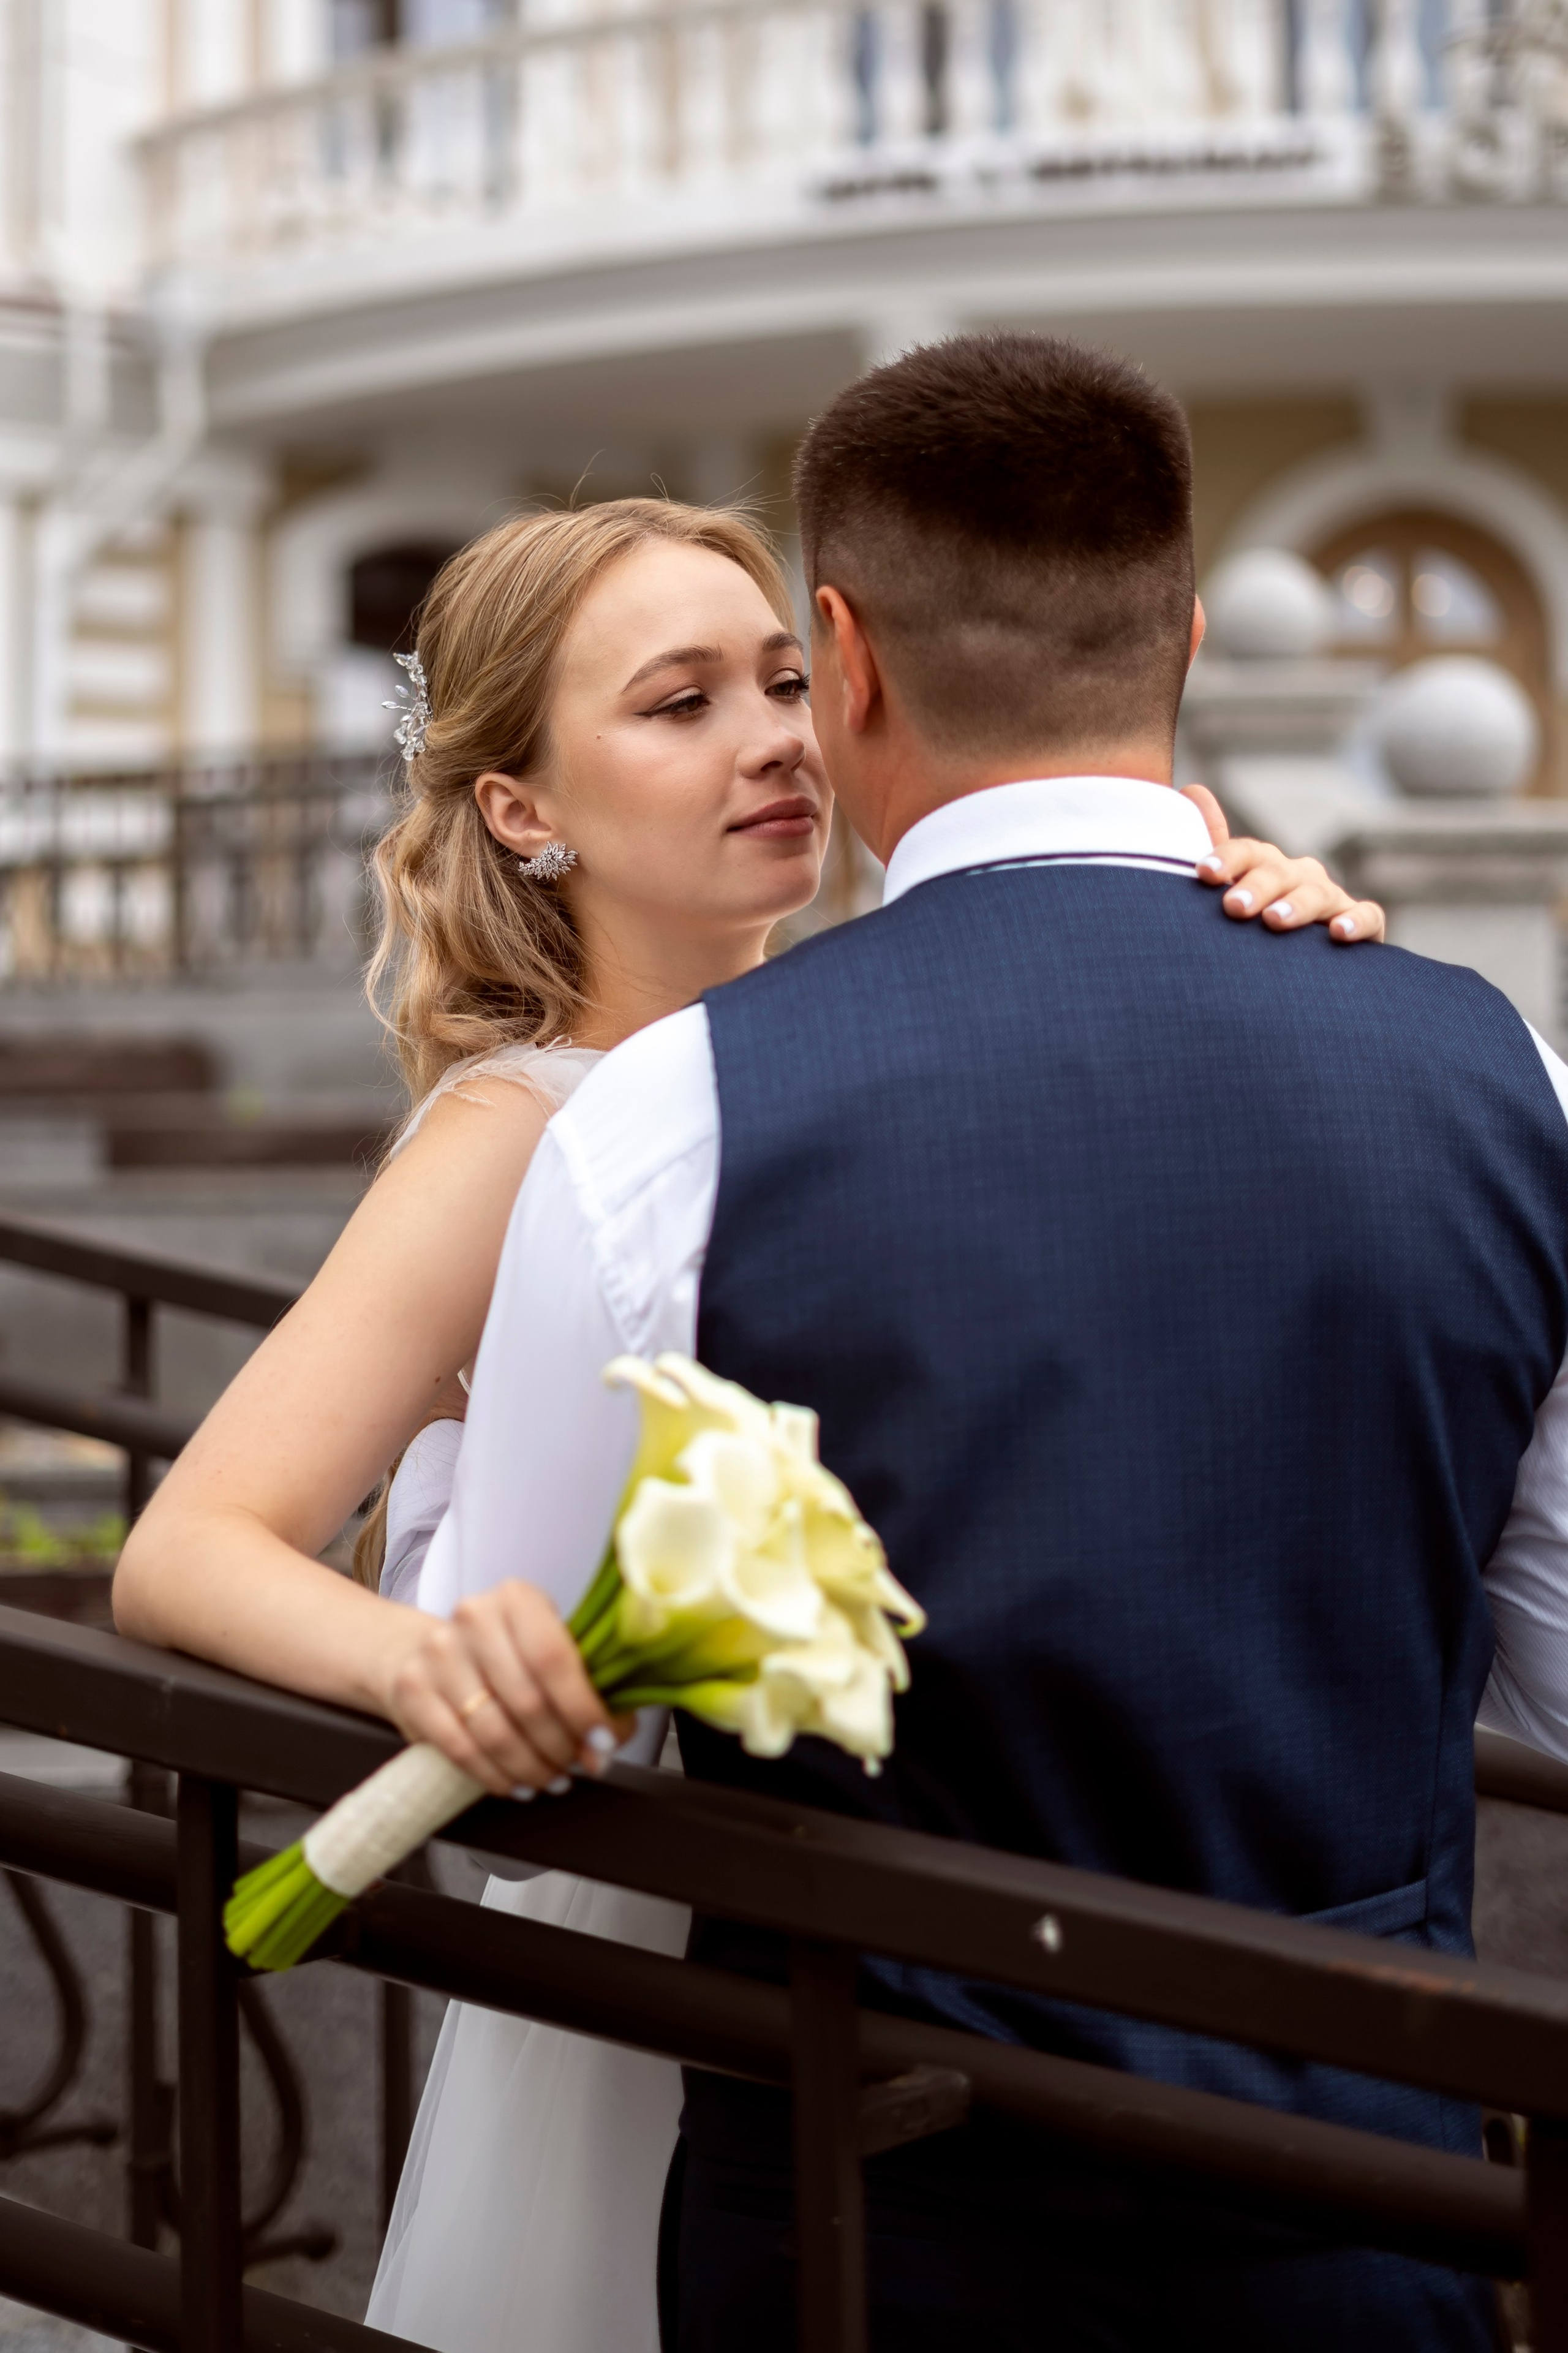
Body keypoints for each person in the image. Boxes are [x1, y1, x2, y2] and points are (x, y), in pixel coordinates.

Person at [112, 488, 1384, 2353]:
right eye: (680, 702)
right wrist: (432, 1665)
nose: (774, 738)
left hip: (936, 1918)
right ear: (522, 810)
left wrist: (1240, 925)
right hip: (662, 1941)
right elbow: (186, 1546)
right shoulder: (517, 1131)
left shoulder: (883, 1054)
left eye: (787, 681)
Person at [417, 334, 1568, 2353]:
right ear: (1186, 637)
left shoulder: (673, 1116)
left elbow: (518, 1747)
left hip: (866, 2224)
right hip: (1358, 2209)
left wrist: (445, 1464)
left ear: (846, 658)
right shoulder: (1506, 1076)